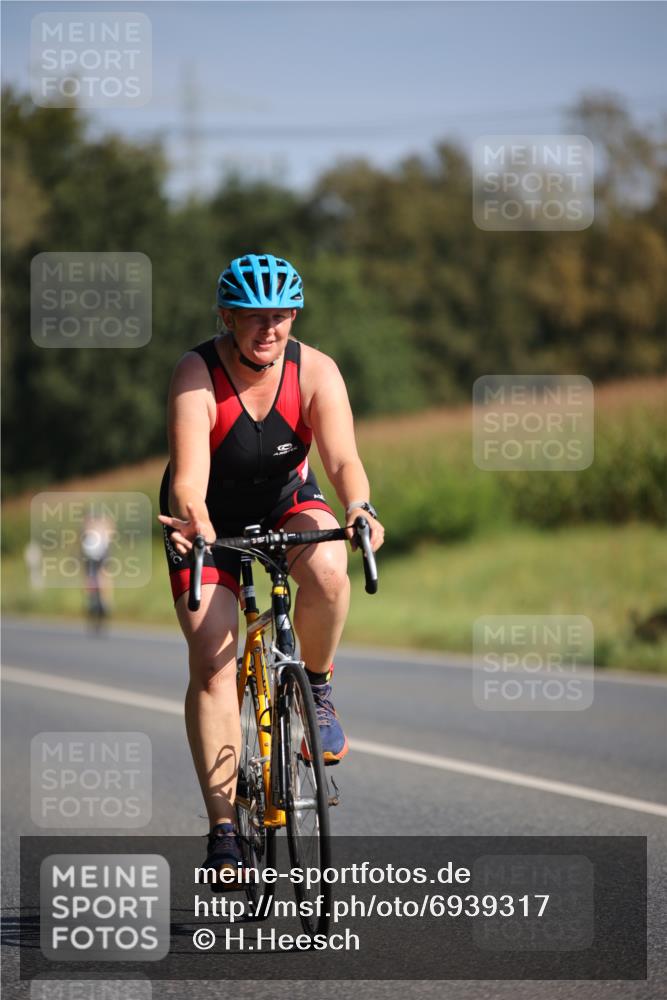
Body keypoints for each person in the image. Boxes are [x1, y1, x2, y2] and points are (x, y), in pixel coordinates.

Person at [157, 253, 384, 878]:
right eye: (254, 316)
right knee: (213, 662)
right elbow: (189, 478)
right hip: (206, 518)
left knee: (330, 571)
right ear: (227, 317)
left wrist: (359, 507)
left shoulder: (316, 371)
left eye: (281, 315)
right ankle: (224, 830)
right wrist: (196, 519)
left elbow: (342, 461)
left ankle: (318, 692)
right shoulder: (196, 373)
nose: (269, 328)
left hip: (286, 500)